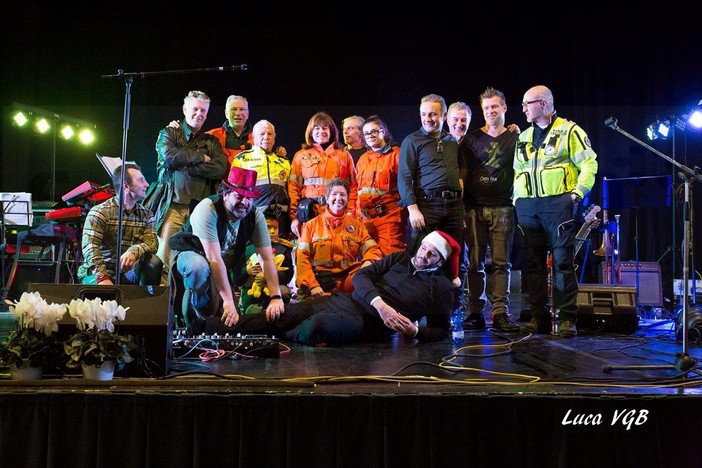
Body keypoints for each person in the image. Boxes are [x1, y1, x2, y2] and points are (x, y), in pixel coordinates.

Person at [197, 230, 461, 346]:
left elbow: (441, 332)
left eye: (432, 255)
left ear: (441, 261)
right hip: (345, 300)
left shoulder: (440, 288)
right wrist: (381, 305)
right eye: (424, 248)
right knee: (286, 314)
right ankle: (212, 328)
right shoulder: (400, 258)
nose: (424, 256)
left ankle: (268, 337)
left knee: (318, 326)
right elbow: (361, 278)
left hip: (368, 325)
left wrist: (414, 331)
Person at [514, 85, 598, 338]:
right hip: (529, 206)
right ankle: (539, 318)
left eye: (527, 104)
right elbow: (518, 170)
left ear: (544, 103)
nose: (524, 109)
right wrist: (517, 198)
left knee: (562, 263)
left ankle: (566, 319)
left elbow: (589, 162)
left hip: (558, 204)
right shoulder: (524, 136)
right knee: (533, 264)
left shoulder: (570, 131)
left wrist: (577, 193)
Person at [169, 166, 285, 330]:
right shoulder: (208, 209)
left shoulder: (254, 215)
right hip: (191, 253)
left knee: (231, 320)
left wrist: (276, 296)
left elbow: (266, 259)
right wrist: (228, 301)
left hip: (220, 263)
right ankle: (192, 323)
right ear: (225, 194)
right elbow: (213, 259)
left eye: (249, 198)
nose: (244, 202)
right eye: (239, 196)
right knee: (199, 267)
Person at [143, 90, 228, 284]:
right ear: (184, 109)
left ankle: (193, 310)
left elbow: (219, 167)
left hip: (200, 211)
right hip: (172, 207)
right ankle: (163, 309)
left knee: (201, 260)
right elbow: (169, 156)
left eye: (203, 111)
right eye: (195, 109)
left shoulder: (212, 142)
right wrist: (200, 157)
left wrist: (187, 167)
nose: (199, 114)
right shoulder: (169, 133)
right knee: (164, 259)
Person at [460, 87, 520, 332]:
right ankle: (476, 311)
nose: (490, 111)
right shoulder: (471, 138)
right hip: (474, 208)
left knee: (501, 263)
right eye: (486, 108)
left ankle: (500, 313)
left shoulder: (517, 137)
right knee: (475, 263)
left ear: (504, 107)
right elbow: (462, 173)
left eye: (495, 106)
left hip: (503, 208)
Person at [398, 94, 465, 287]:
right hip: (427, 206)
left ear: (444, 116)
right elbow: (404, 177)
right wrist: (412, 209)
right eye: (424, 114)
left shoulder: (452, 141)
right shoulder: (412, 141)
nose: (428, 118)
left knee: (453, 259)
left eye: (433, 114)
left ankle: (450, 311)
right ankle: (417, 311)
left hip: (453, 207)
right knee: (421, 259)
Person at [78, 163, 162, 285]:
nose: (147, 184)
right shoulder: (100, 211)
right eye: (141, 180)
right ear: (126, 186)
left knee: (154, 262)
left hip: (126, 273)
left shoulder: (146, 214)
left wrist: (134, 250)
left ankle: (145, 301)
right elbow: (90, 247)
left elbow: (152, 243)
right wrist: (102, 277)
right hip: (97, 273)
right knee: (103, 297)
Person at [296, 178, 382, 297]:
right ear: (327, 198)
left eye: (342, 195)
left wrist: (368, 263)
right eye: (334, 194)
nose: (338, 198)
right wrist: (313, 286)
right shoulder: (312, 225)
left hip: (347, 285)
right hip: (319, 285)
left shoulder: (357, 225)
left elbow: (373, 249)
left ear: (347, 198)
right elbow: (302, 259)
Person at [288, 112, 357, 238]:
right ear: (310, 131)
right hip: (309, 215)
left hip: (337, 213)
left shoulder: (344, 155)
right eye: (317, 128)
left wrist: (351, 212)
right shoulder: (300, 156)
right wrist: (294, 217)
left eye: (325, 128)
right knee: (308, 252)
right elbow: (293, 188)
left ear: (331, 131)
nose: (321, 131)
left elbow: (353, 186)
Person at [231, 120, 292, 238]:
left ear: (274, 137)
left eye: (269, 134)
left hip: (280, 222)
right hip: (253, 218)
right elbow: (234, 192)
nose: (266, 137)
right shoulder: (243, 159)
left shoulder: (284, 162)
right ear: (253, 137)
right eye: (262, 134)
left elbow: (291, 192)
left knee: (280, 255)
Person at [355, 115, 406, 255]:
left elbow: (407, 187)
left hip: (389, 219)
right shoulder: (363, 160)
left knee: (391, 259)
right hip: (365, 221)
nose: (370, 136)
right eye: (366, 133)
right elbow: (356, 190)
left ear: (383, 131)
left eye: (374, 131)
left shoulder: (397, 155)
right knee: (368, 259)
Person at [206, 95, 288, 167]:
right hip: (219, 184)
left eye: (242, 109)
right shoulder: (211, 136)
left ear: (247, 113)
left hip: (251, 184)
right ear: (226, 113)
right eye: (233, 109)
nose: (238, 113)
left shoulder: (259, 138)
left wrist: (279, 153)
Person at [238, 212, 295, 315]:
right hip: (251, 289)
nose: (272, 231)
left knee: (284, 292)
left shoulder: (284, 249)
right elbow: (235, 277)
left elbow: (288, 274)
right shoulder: (246, 248)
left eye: (275, 228)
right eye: (268, 227)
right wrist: (246, 271)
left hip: (276, 287)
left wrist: (269, 276)